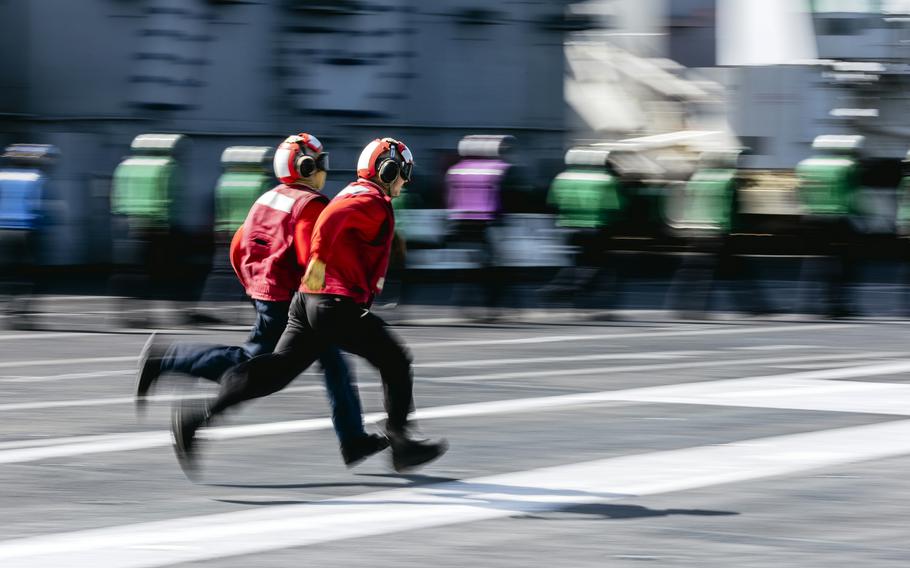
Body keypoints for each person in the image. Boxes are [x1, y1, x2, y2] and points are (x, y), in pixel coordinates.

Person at [171, 137, 448, 474]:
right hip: (334, 304)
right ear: (387, 170)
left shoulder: (355, 192)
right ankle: (401, 443)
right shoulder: (371, 200)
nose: (406, 180)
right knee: (396, 359)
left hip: (308, 302)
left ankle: (198, 418)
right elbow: (330, 221)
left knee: (275, 371)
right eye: (403, 172)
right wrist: (318, 261)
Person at [138, 133, 387, 468]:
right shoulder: (310, 205)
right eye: (321, 163)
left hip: (268, 294)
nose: (324, 170)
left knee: (293, 362)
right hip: (296, 300)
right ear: (306, 166)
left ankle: (169, 361)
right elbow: (311, 256)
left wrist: (255, 286)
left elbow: (238, 245)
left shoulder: (268, 198)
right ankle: (178, 383)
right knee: (268, 370)